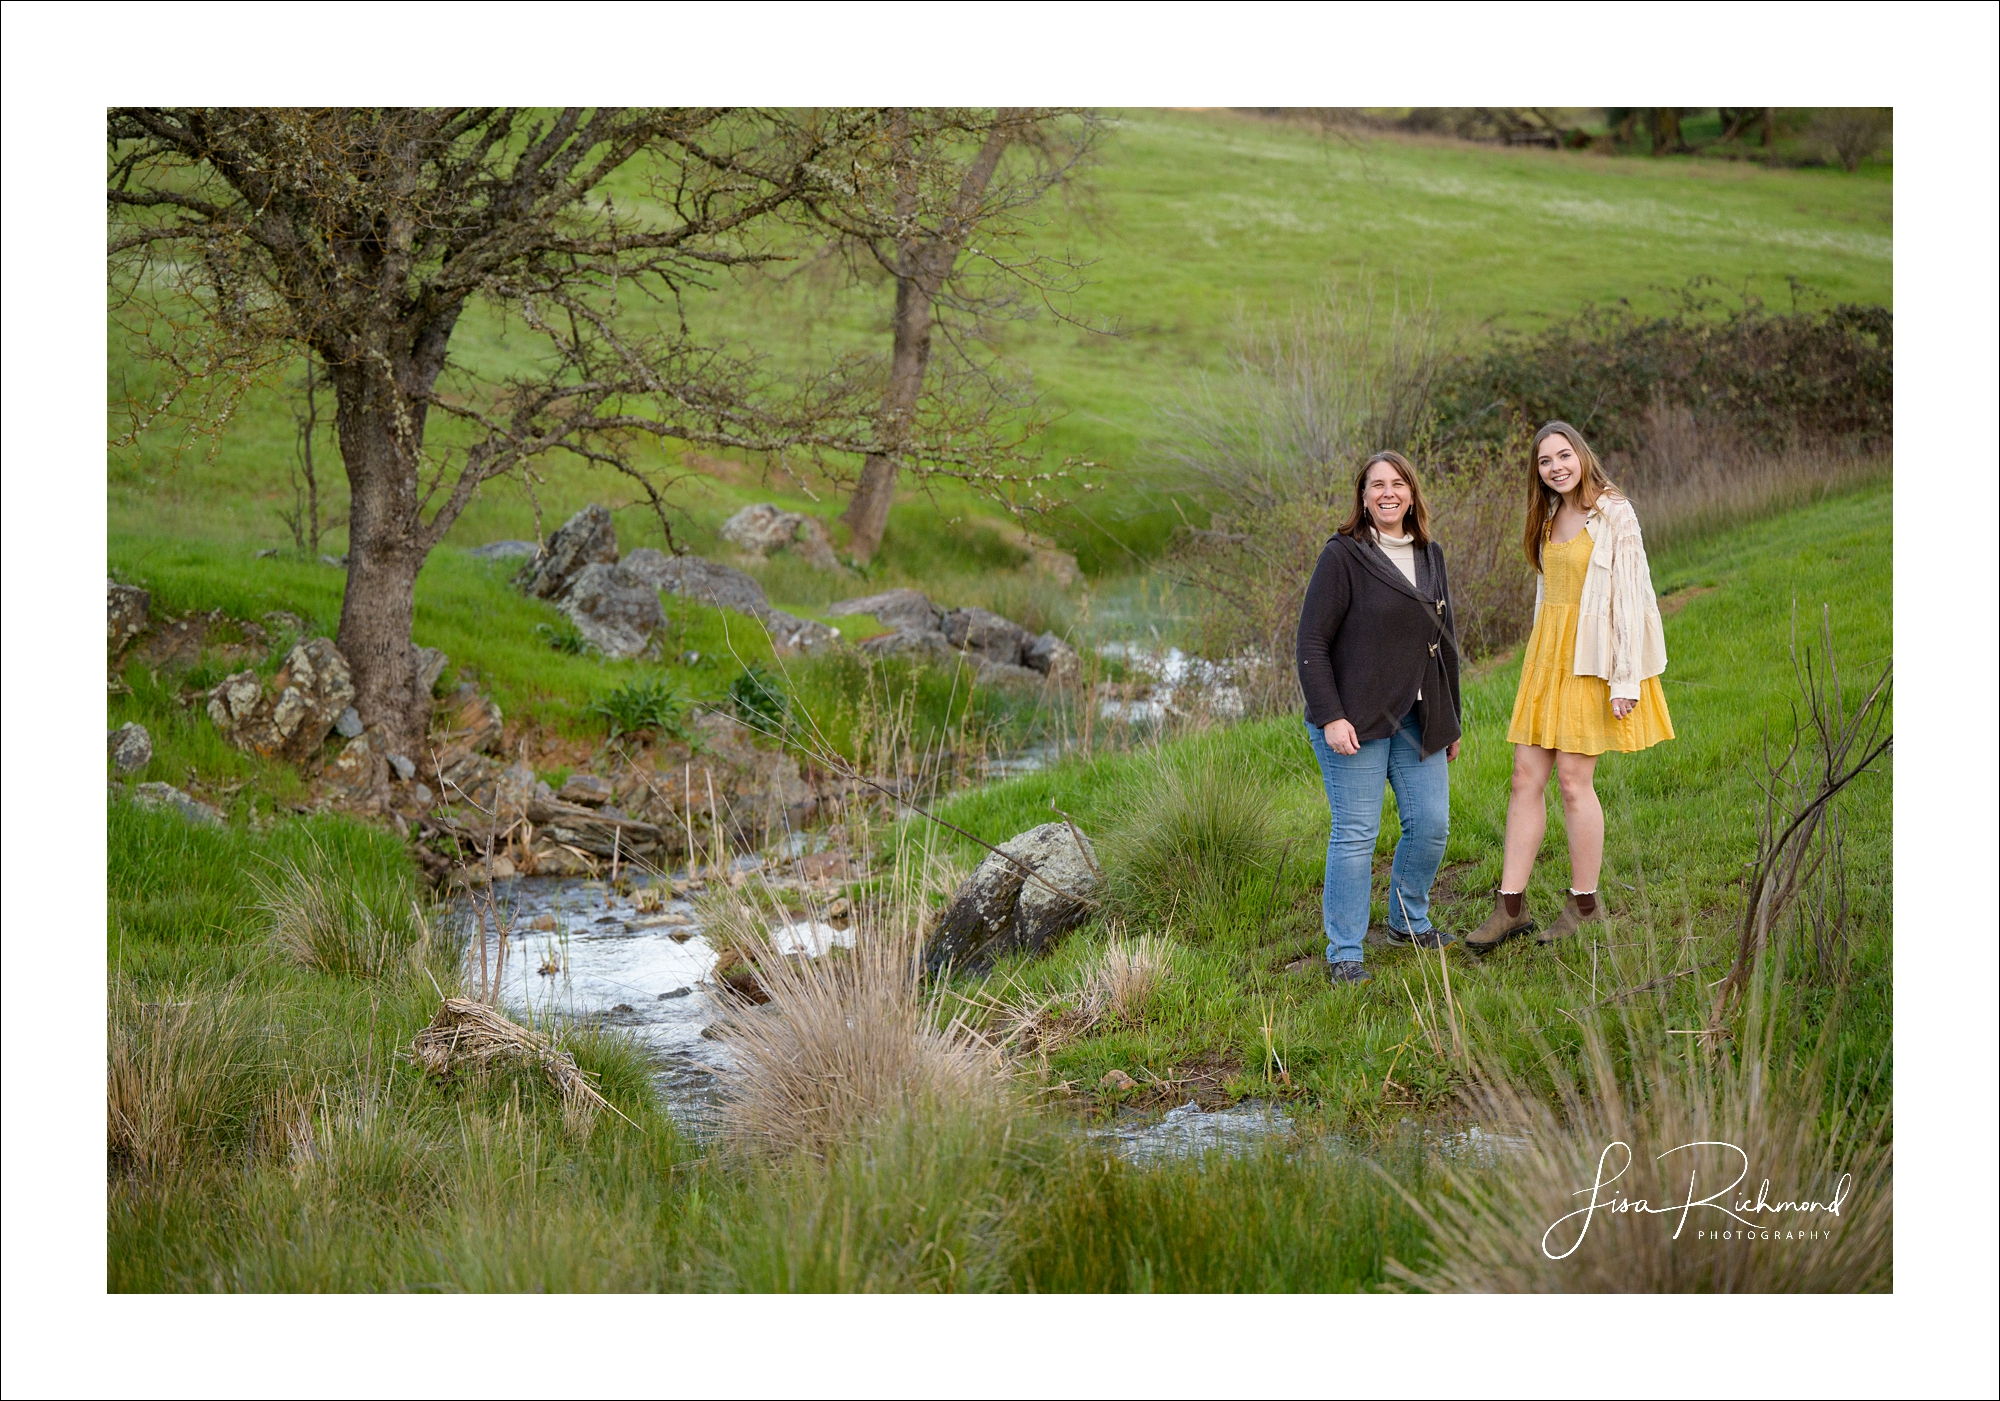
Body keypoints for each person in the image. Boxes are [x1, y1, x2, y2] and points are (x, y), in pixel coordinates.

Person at [1468, 421, 1674, 953]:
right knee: (1523, 777)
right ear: (1536, 471)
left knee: (1574, 783)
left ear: (1582, 455)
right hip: (1548, 658)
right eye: (1544, 461)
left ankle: (1585, 904)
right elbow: (1547, 596)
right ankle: (1510, 906)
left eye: (1564, 455)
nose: (1556, 466)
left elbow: (1632, 597)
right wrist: (1536, 659)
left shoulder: (1614, 513)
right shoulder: (1547, 516)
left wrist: (1624, 678)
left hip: (1593, 661)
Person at [1295, 450, 1463, 986]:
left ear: (1412, 494)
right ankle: (1345, 951)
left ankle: (1407, 923)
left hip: (1418, 718)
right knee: (1356, 834)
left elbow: (1444, 643)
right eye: (1376, 485)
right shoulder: (1343, 556)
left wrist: (1450, 719)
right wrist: (1330, 716)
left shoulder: (1430, 554)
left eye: (1397, 484)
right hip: (1354, 721)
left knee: (1431, 826)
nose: (1388, 493)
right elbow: (1311, 642)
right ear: (1363, 497)